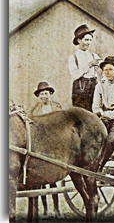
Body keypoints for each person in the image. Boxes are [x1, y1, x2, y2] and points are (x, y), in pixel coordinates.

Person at [30, 81, 62, 218]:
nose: (44, 96)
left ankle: (56, 209)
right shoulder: (35, 110)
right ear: (39, 96)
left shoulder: (57, 108)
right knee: (41, 181)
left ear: (50, 95)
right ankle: (45, 210)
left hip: (54, 147)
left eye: (46, 93)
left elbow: (63, 125)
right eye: (41, 94)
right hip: (41, 148)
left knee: (53, 181)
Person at [68, 24, 102, 111]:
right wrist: (89, 65)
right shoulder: (73, 57)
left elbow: (104, 68)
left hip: (93, 85)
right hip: (80, 87)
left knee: (94, 110)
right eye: (86, 40)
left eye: (90, 40)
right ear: (79, 40)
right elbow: (74, 75)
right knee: (81, 113)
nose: (88, 43)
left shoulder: (94, 55)